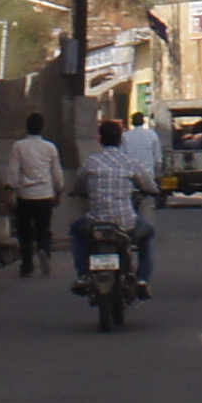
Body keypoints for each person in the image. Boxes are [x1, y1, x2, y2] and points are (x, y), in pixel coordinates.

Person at [76, 113, 156, 292]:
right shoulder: (129, 163)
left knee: (76, 230)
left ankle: (82, 274)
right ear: (121, 140)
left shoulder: (91, 162)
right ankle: (142, 278)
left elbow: (78, 185)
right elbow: (149, 186)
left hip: (95, 222)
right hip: (125, 223)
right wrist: (152, 190)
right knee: (148, 233)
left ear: (100, 139)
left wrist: (78, 192)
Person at [0, 119, 65, 276]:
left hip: (25, 195)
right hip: (45, 194)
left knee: (24, 231)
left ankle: (27, 264)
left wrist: (10, 190)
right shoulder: (50, 147)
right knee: (44, 227)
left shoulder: (19, 146)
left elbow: (13, 171)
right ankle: (43, 249)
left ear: (26, 128)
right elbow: (57, 173)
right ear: (42, 128)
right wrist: (59, 191)